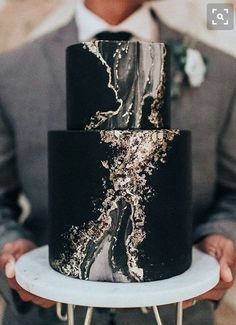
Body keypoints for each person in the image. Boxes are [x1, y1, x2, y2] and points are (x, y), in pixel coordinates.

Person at [0, 0, 236, 324]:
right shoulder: (10, 71)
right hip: (45, 313)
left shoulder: (225, 71)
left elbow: (233, 192)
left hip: (178, 310)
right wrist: (10, 247)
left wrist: (223, 235)